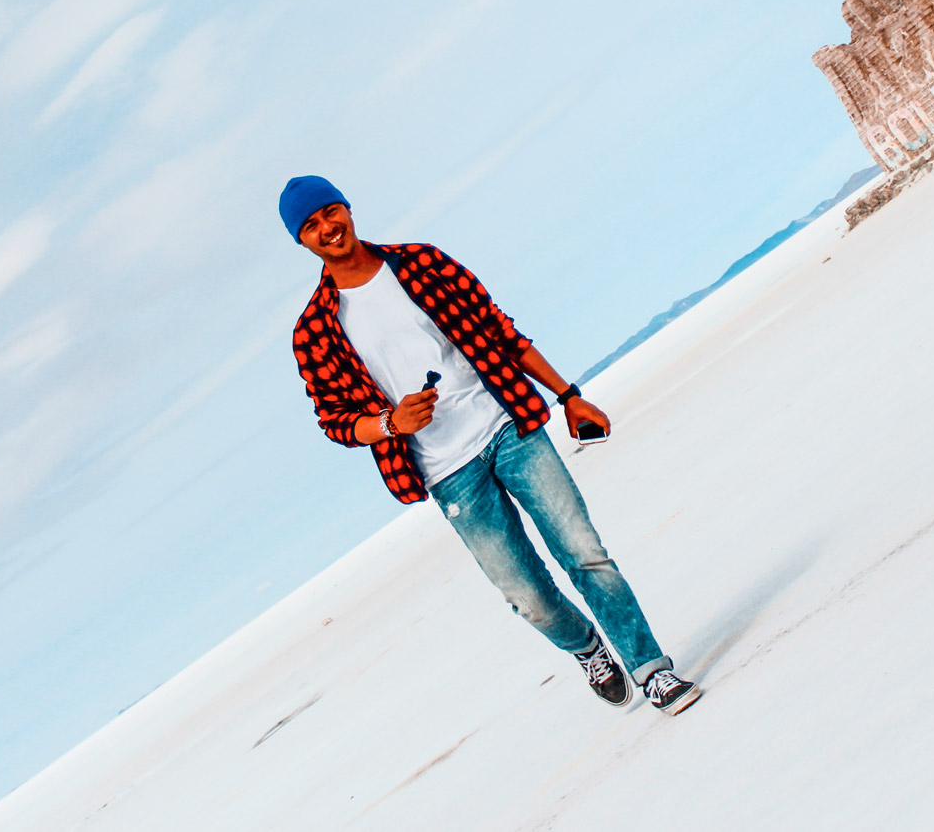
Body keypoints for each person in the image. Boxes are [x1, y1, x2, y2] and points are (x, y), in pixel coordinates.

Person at [281, 174, 701, 714]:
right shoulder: (314, 330)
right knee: (526, 596)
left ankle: (652, 672)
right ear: (302, 242)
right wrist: (391, 423)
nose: (326, 229)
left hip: (507, 426)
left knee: (585, 555)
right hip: (445, 469)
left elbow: (501, 331)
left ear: (346, 208)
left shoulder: (422, 263)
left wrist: (569, 395)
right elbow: (335, 421)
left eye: (329, 212)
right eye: (311, 226)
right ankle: (587, 647)